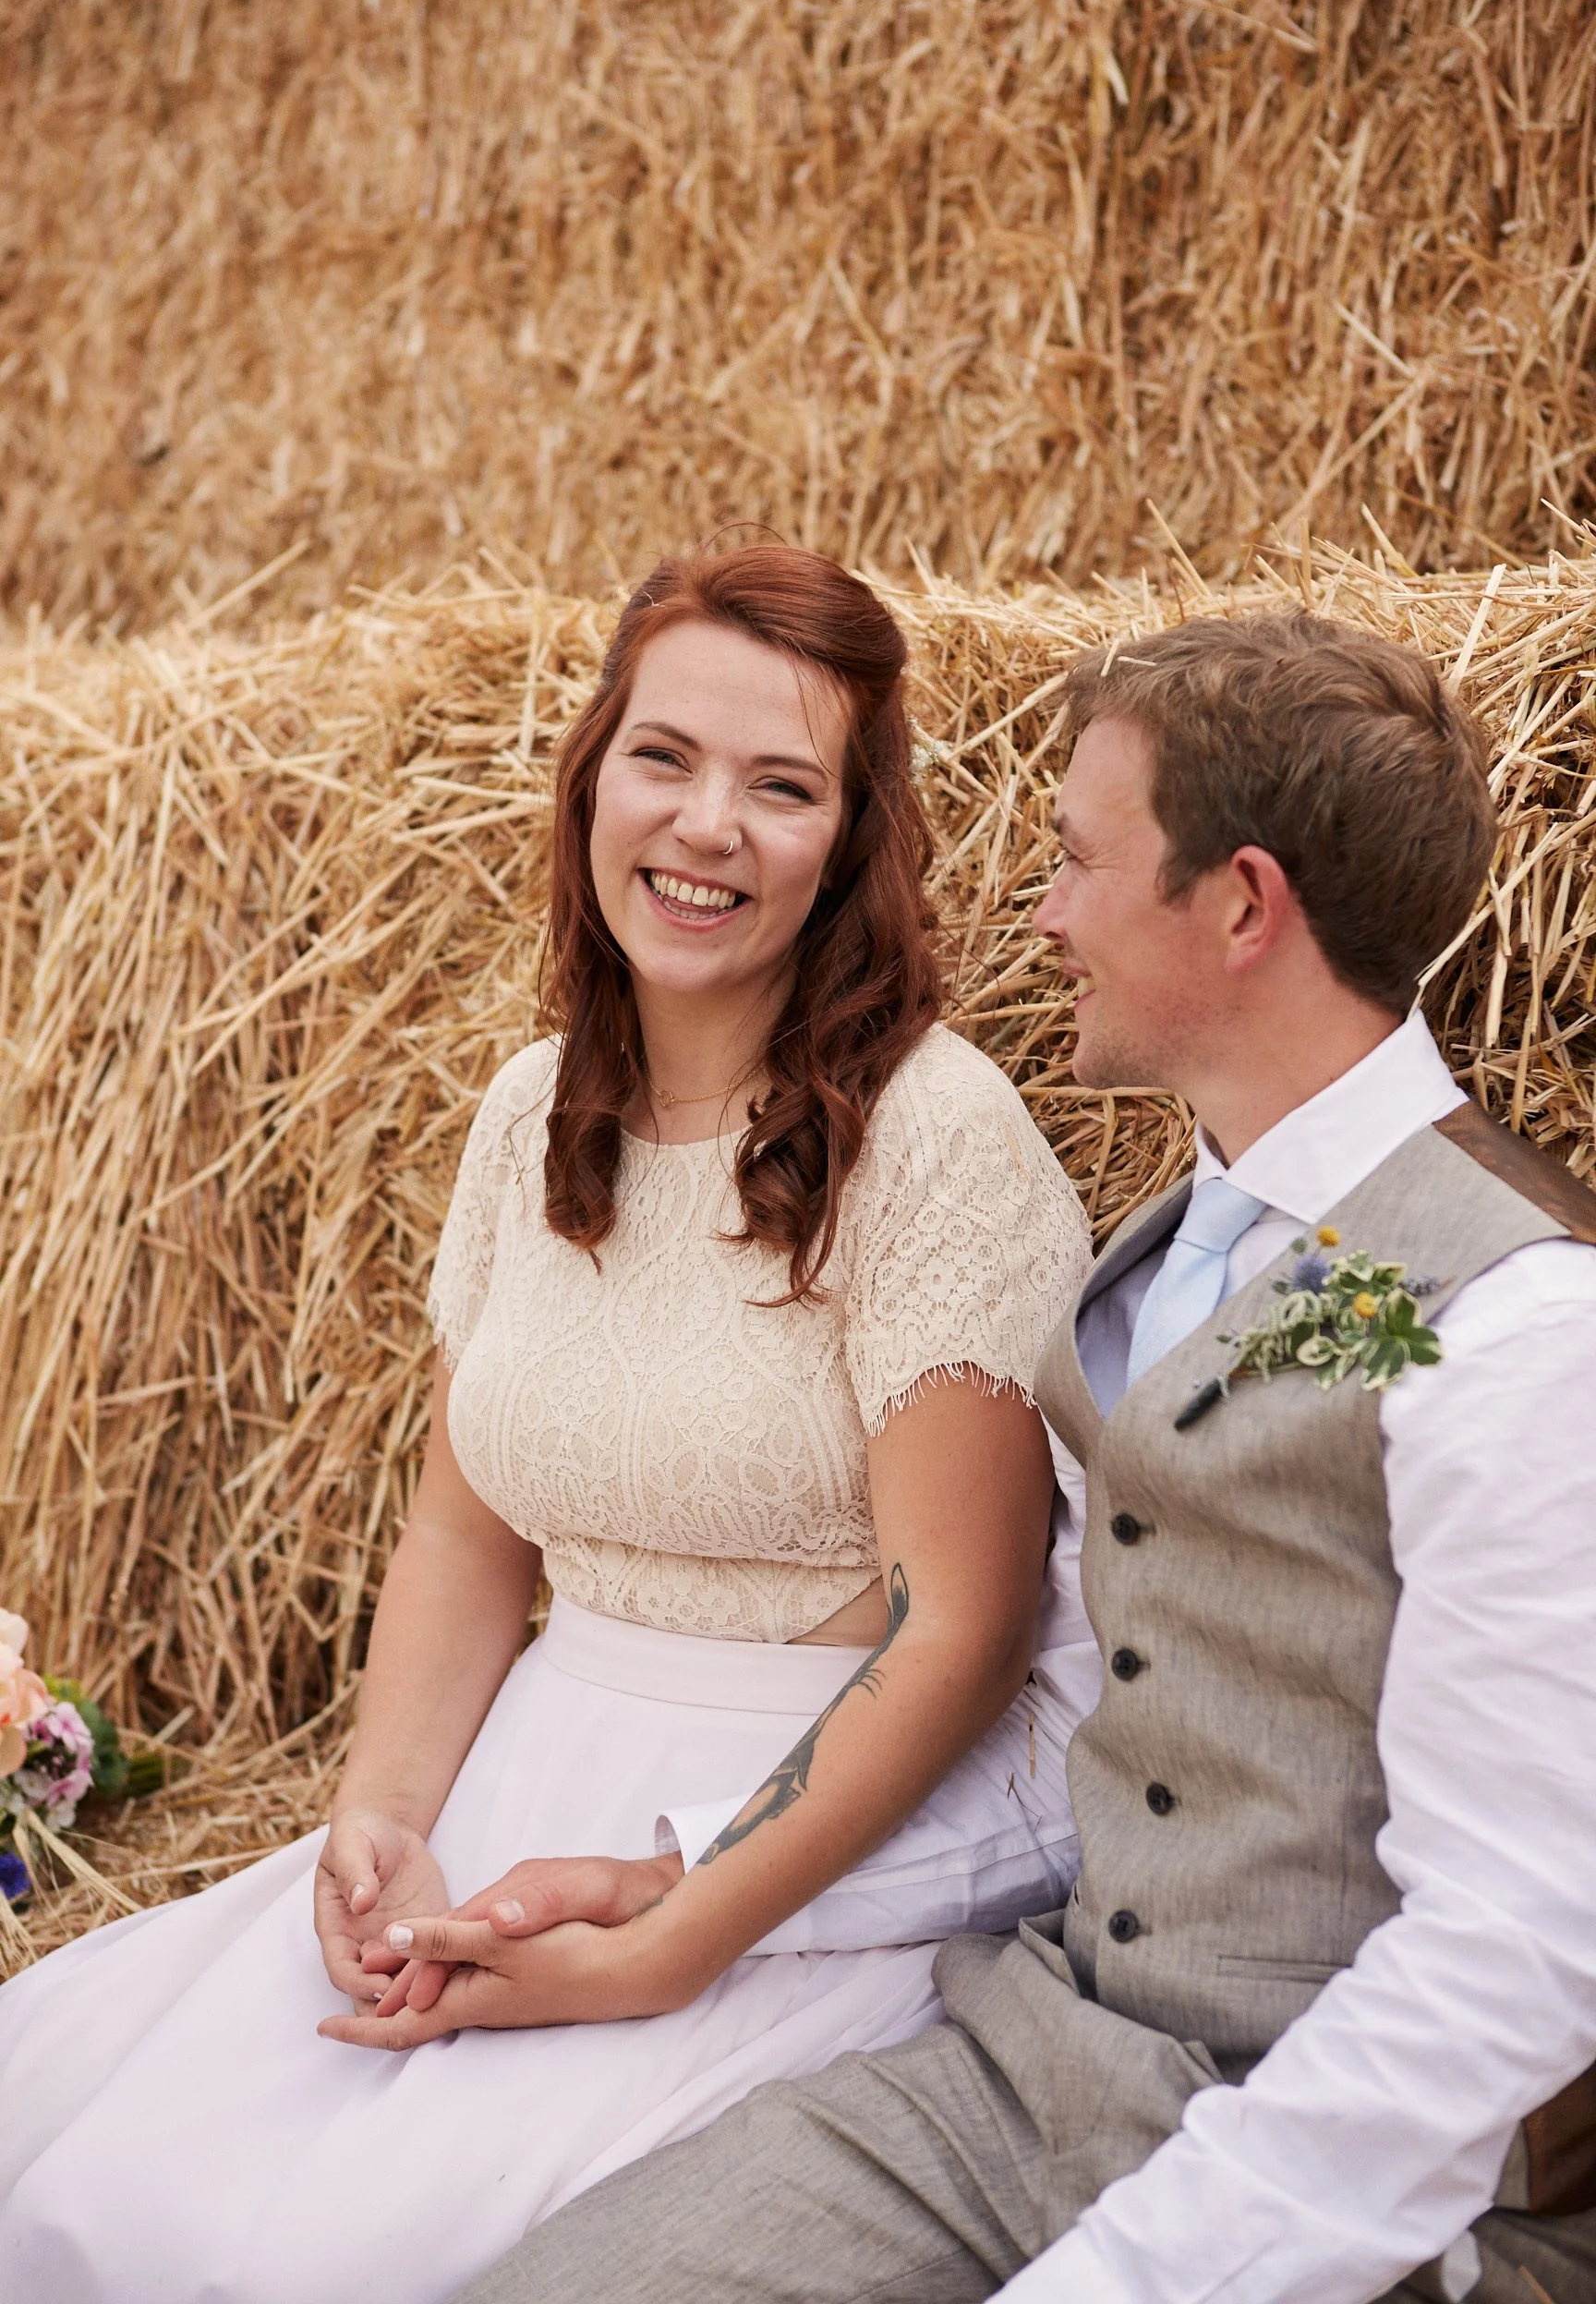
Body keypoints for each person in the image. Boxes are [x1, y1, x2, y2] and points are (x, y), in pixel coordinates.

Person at [0, 546, 1099, 2304]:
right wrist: (382, 1811)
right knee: (93, 2174)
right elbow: (464, 1526)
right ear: (592, 774)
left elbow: (959, 1637)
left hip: (789, 1852)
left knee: (345, 2260)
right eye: (664, 756)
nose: (708, 824)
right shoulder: (533, 1113)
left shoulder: (934, 1138)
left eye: (783, 785)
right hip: (516, 1793)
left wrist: (677, 1941)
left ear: (853, 844)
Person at [456, 612, 1596, 2304]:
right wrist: (688, 1872)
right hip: (1037, 2067)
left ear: (1240, 906)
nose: (1040, 915)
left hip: (1355, 2168)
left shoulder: (1519, 1328)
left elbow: (1510, 1970)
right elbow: (1100, 1732)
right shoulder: (1179, 1253)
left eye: (1076, 862)